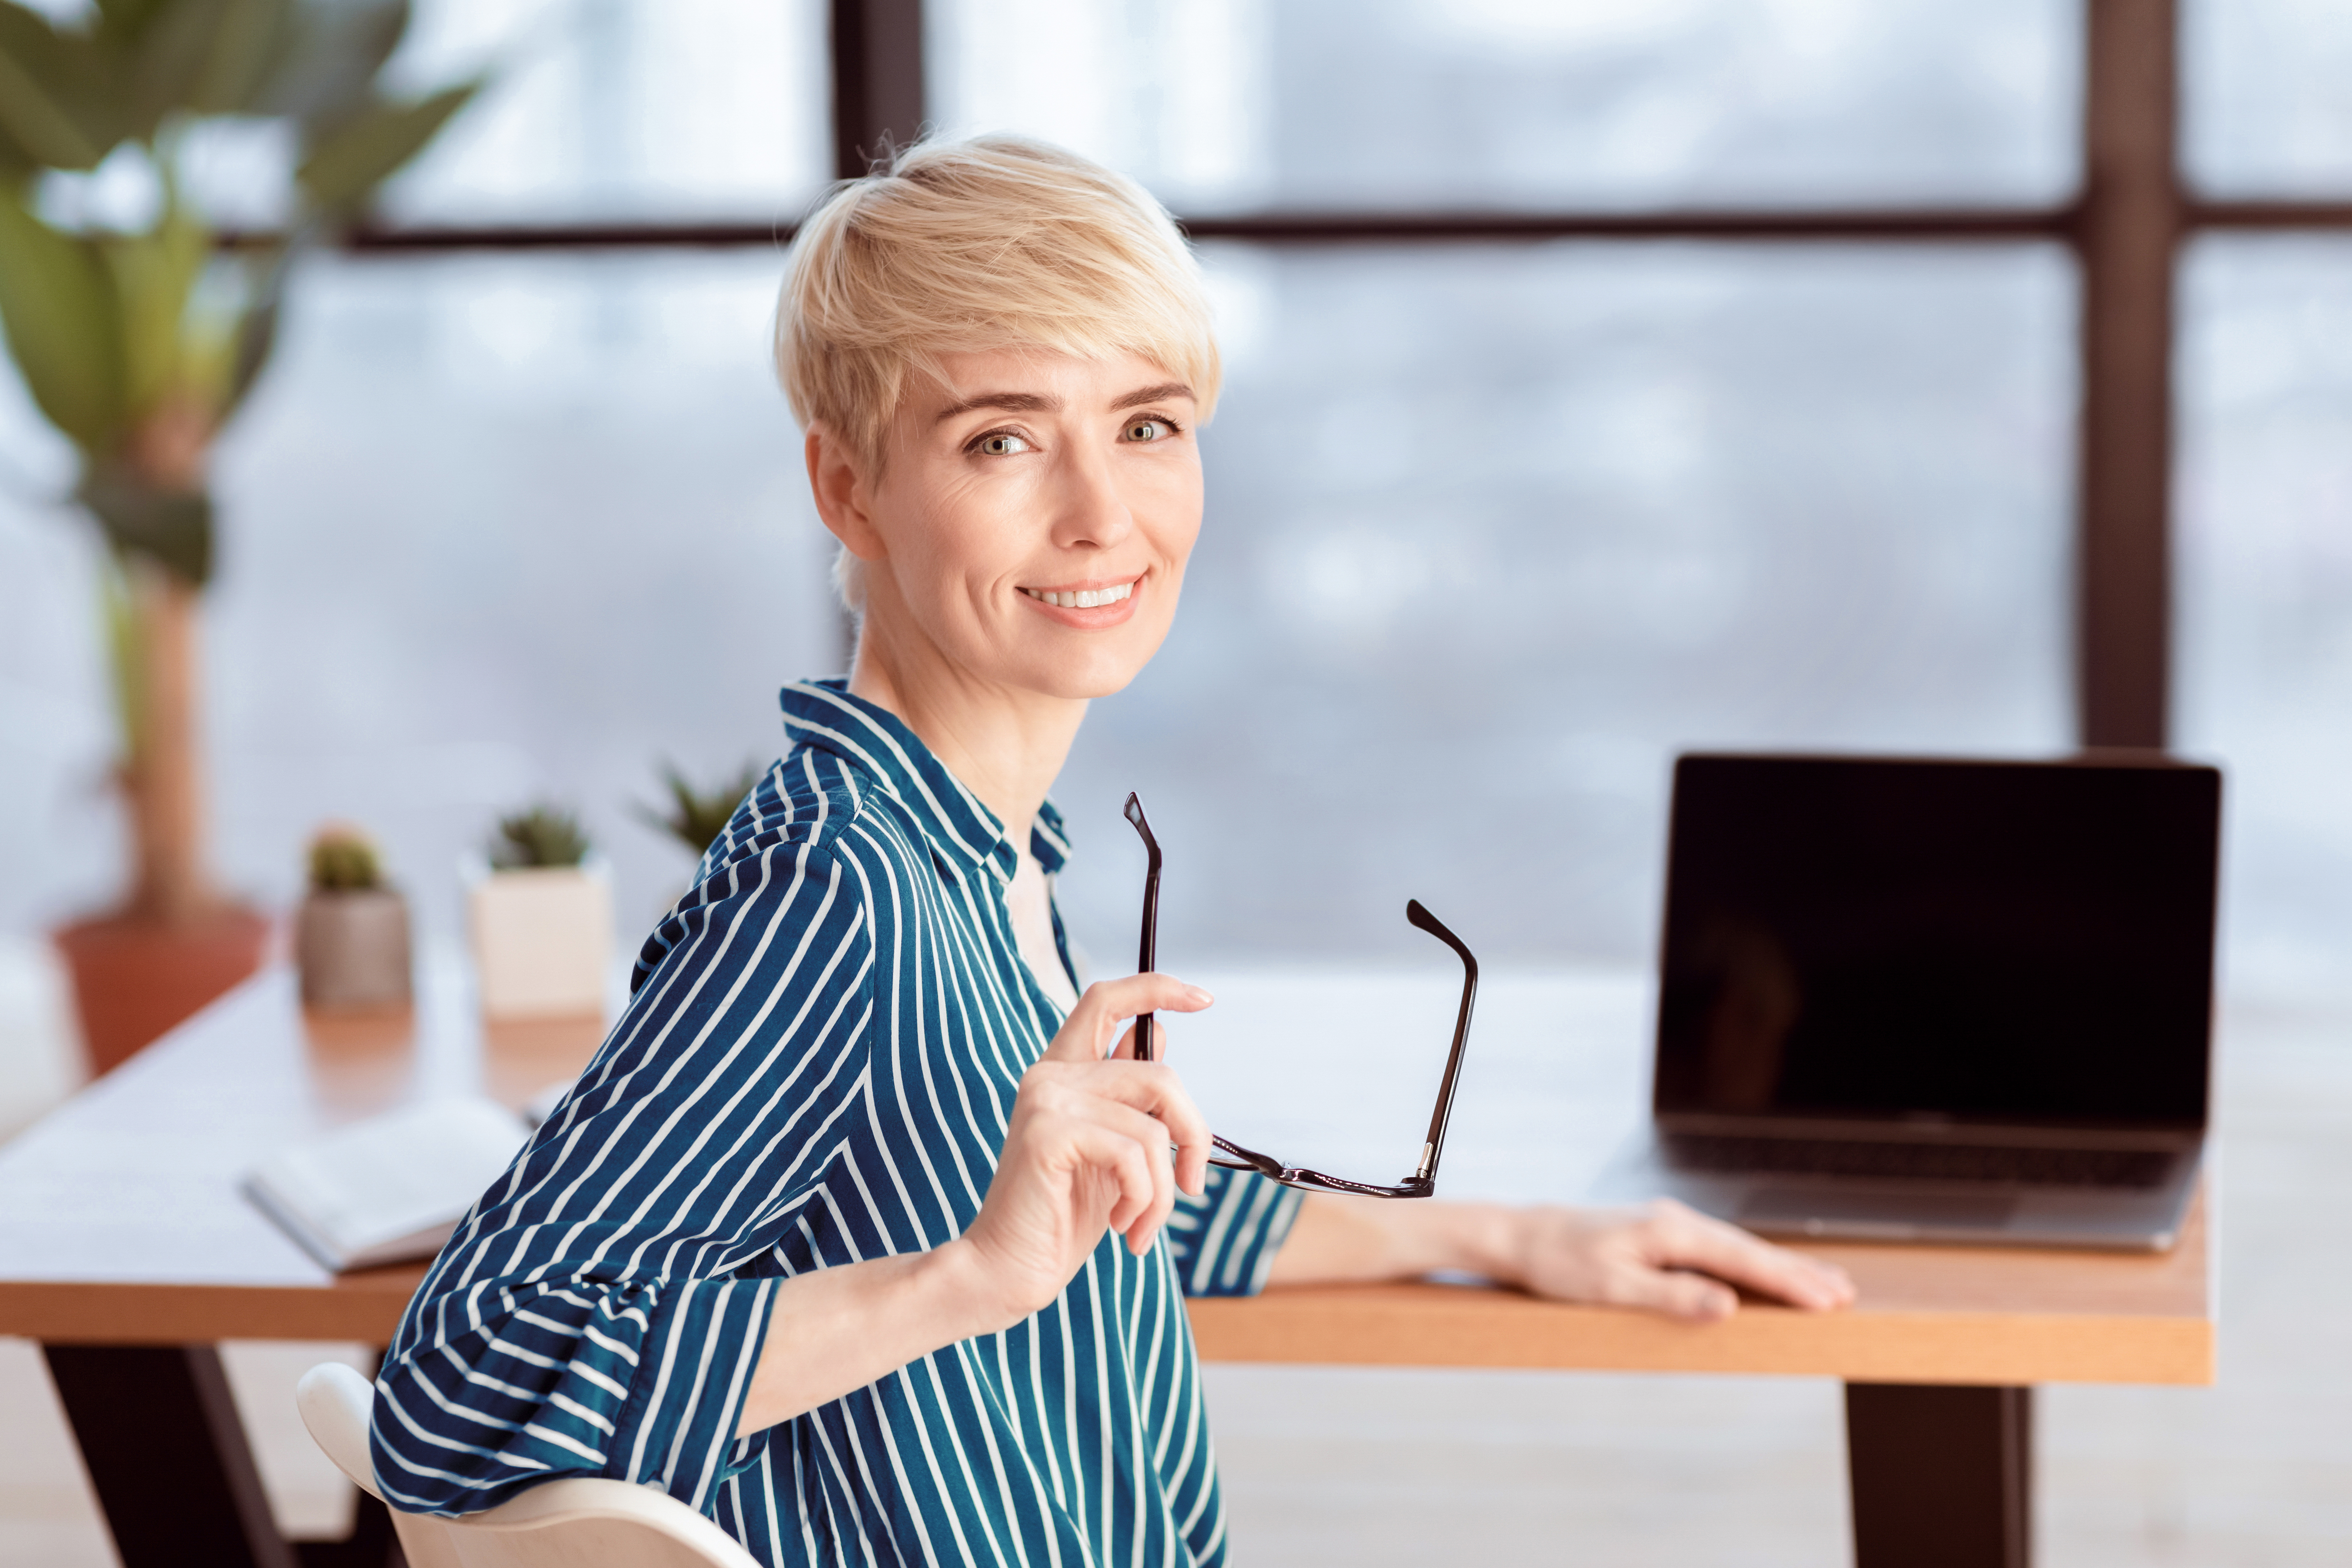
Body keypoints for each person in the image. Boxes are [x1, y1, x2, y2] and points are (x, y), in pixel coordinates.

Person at [372, 134, 1854, 1565]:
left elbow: (1066, 1205)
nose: (1101, 517)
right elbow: (452, 1390)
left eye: (1145, 425)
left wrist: (1513, 1233)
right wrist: (964, 1284)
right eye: (1002, 439)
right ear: (846, 490)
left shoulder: (967, 854)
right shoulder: (837, 895)